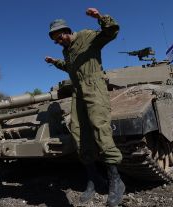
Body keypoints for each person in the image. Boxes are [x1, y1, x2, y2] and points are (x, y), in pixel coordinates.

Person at [45, 8, 125, 206]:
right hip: (78, 93)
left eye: (60, 36)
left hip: (94, 86)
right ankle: (93, 179)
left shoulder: (86, 36)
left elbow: (110, 33)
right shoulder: (67, 52)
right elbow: (69, 67)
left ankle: (116, 181)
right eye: (55, 39)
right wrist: (55, 62)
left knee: (100, 128)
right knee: (79, 133)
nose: (59, 41)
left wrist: (100, 18)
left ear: (67, 30)